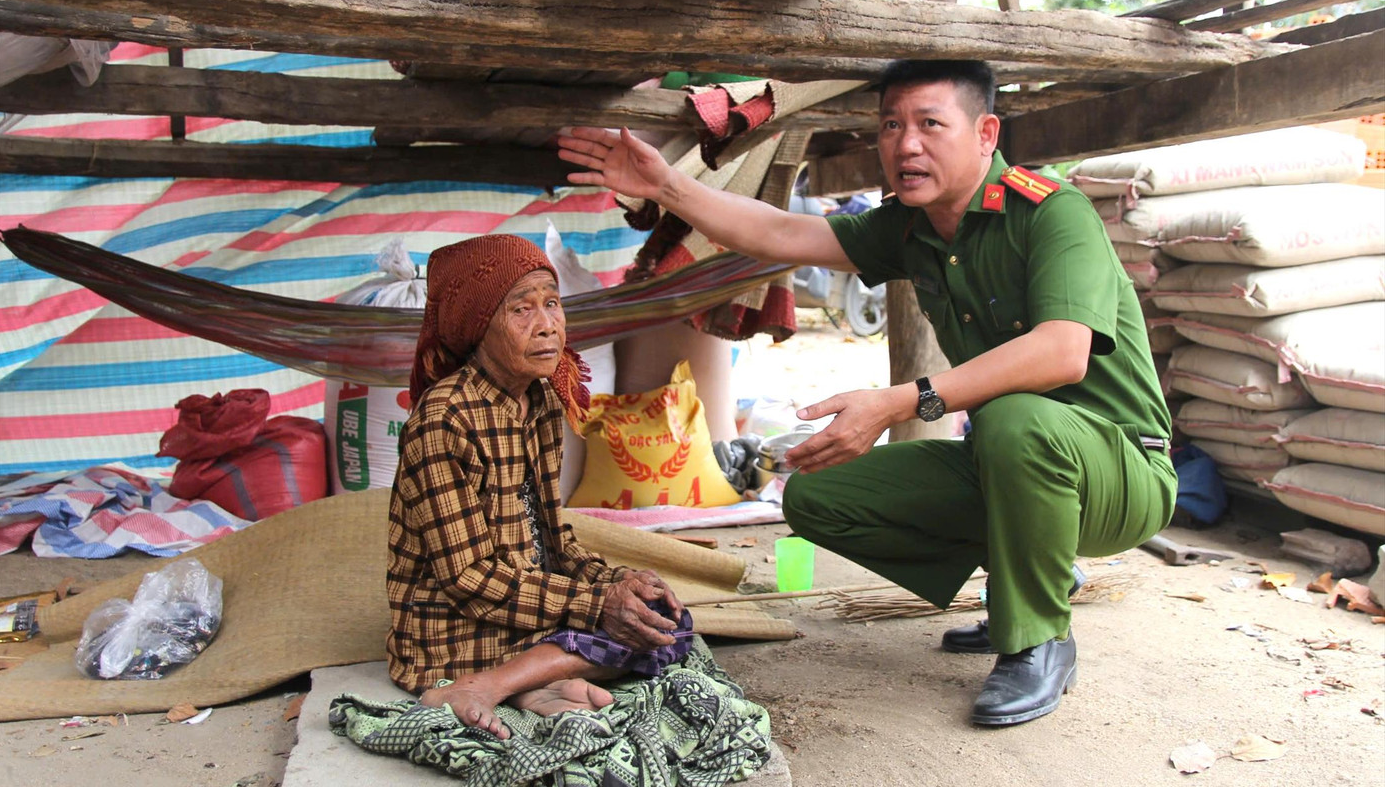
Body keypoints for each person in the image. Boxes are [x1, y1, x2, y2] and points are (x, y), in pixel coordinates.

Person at [556, 60, 1176, 727]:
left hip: (1121, 470)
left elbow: (1063, 351)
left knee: (1019, 420)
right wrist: (667, 185)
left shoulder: (1052, 213)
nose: (906, 144)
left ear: (986, 133)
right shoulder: (911, 227)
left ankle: (1037, 637)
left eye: (930, 124)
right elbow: (782, 233)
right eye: (890, 125)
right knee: (819, 496)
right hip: (1012, 463)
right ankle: (1036, 576)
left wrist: (900, 400)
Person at [388, 234, 691, 738]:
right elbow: (470, 580)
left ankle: (525, 682)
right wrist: (596, 604)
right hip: (452, 632)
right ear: (478, 326)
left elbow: (552, 539)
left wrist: (616, 582)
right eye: (522, 310)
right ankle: (482, 685)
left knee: (660, 622)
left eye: (551, 303)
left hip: (524, 607)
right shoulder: (443, 420)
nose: (548, 325)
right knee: (632, 633)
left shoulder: (543, 402)